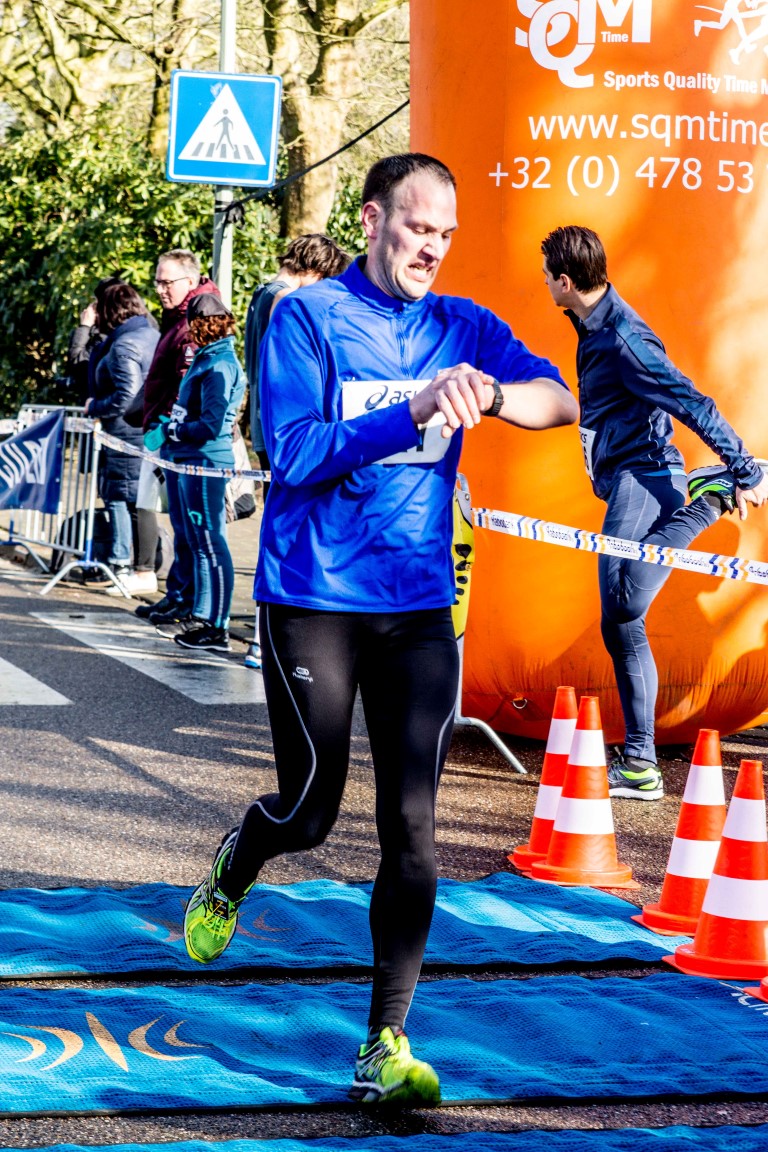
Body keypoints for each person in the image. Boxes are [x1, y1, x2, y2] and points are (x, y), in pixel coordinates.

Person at [182, 153, 578, 1106]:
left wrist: (493, 396)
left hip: (418, 608)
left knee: (413, 826)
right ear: (371, 221)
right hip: (314, 595)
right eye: (416, 228)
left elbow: (558, 398)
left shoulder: (461, 325)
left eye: (446, 235)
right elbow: (295, 452)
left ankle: (383, 1043)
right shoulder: (309, 318)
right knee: (312, 811)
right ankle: (239, 862)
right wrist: (411, 411)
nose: (432, 249)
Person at [540, 224, 768, 800]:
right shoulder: (590, 324)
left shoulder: (624, 338)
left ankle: (711, 498)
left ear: (565, 281)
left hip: (645, 477)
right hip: (625, 479)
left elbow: (692, 401)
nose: (543, 283)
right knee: (620, 621)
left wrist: (744, 469)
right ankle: (640, 762)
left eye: (547, 276)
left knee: (622, 607)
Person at [242, 233, 352, 670]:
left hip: (266, 422)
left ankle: (266, 635)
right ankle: (268, 637)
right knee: (290, 527)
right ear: (316, 270)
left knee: (279, 520)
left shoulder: (260, 293)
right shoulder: (287, 300)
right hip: (287, 424)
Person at [145, 294, 246, 652]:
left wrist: (174, 430)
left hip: (205, 461)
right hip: (192, 459)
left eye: (192, 325)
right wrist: (173, 423)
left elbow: (212, 425)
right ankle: (203, 615)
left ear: (201, 325)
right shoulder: (208, 358)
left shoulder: (219, 363)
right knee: (198, 541)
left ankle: (216, 626)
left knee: (209, 543)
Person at [132, 250, 221, 629]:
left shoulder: (194, 323)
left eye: (167, 282)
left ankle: (196, 606)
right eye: (157, 281)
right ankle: (180, 595)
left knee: (195, 534)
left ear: (190, 281)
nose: (160, 289)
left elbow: (193, 389)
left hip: (188, 444)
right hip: (173, 438)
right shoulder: (177, 318)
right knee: (184, 529)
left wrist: (170, 426)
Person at [84, 282, 160, 593]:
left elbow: (126, 396)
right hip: (143, 431)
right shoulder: (151, 334)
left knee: (121, 498)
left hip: (125, 433)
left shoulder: (124, 344)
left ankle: (123, 566)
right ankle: (137, 568)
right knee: (140, 502)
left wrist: (94, 406)